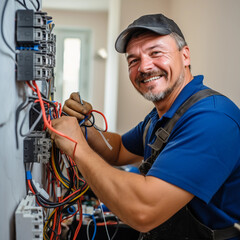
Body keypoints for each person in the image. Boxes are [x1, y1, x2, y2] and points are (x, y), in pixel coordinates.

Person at [49, 14, 240, 239]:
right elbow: (119, 149)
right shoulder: (163, 115)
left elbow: (143, 212)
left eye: (156, 52)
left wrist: (76, 146)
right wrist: (83, 129)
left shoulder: (211, 118)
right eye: (133, 60)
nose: (144, 67)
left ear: (185, 55)